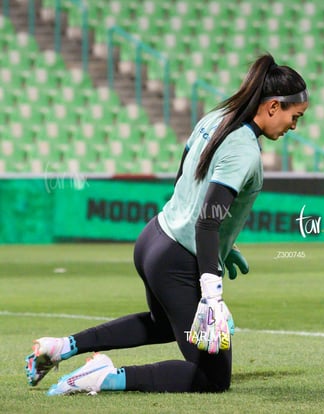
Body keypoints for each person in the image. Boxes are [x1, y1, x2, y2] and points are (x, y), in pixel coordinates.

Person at [25, 52, 309, 395]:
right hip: (177, 258)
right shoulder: (244, 150)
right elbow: (206, 222)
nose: (294, 126)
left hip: (154, 237)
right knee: (212, 378)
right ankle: (102, 376)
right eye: (295, 116)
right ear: (273, 106)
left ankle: (62, 347)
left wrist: (224, 243)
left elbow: (185, 178)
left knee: (165, 324)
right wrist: (211, 294)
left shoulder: (216, 117)